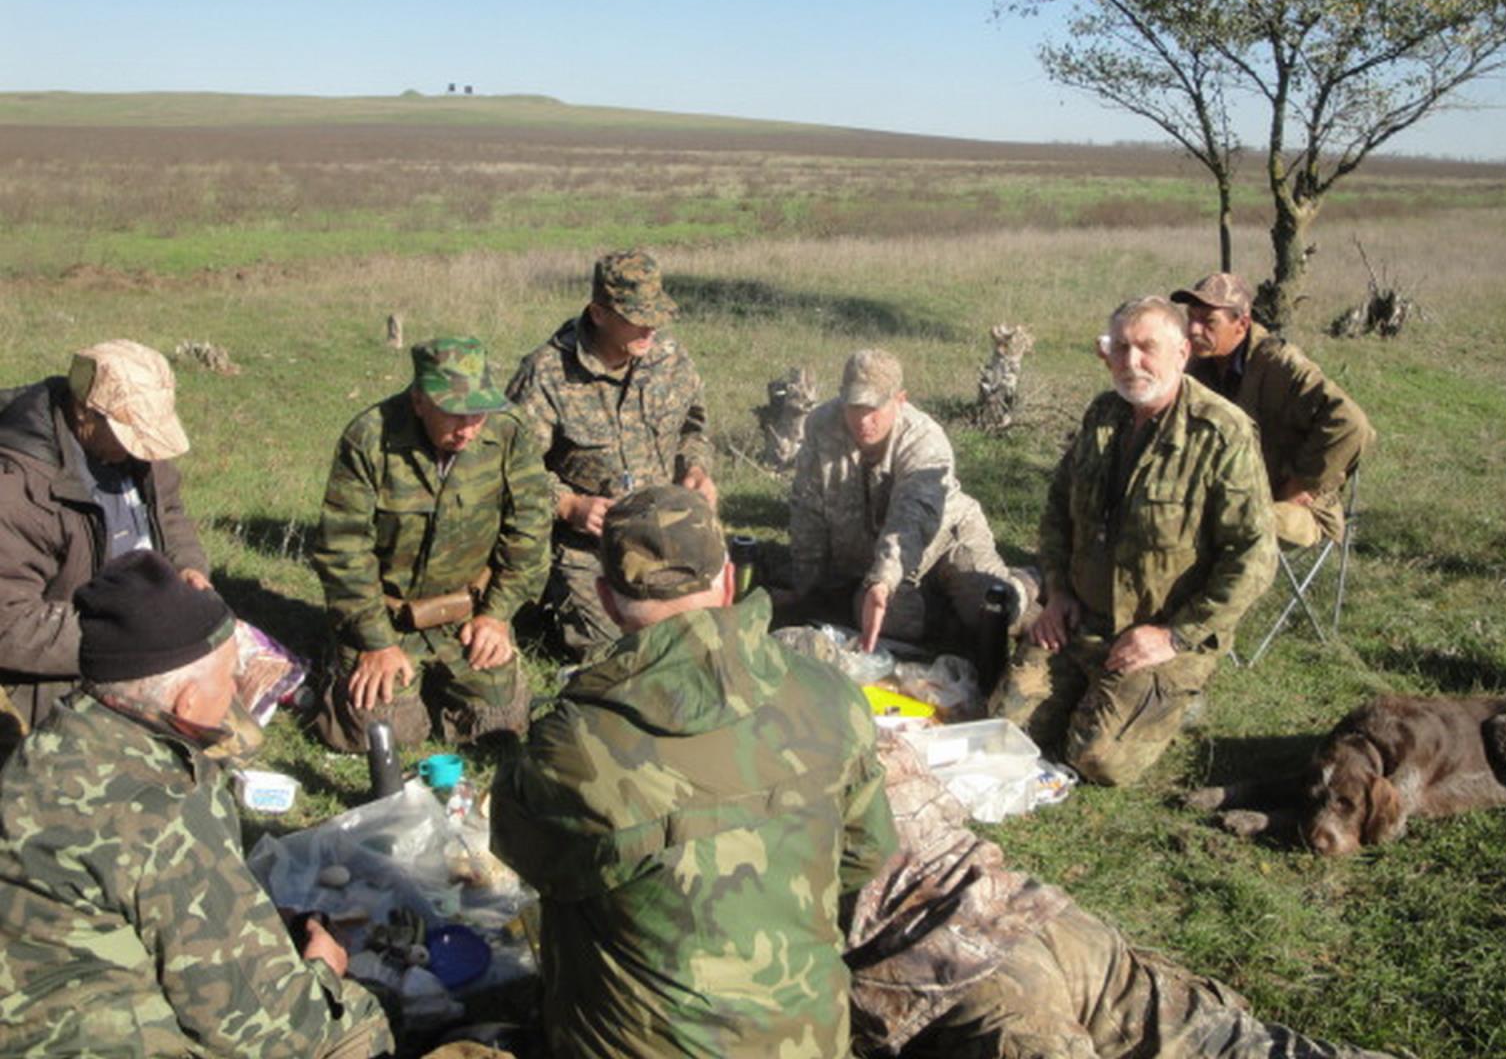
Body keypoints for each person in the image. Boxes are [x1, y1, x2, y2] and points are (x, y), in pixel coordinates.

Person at [489, 484, 897, 1059]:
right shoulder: (830, 694)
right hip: (809, 1042)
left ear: (606, 601)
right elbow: (866, 855)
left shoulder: (575, 746)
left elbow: (523, 854)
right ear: (729, 581)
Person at [0, 551, 394, 1058]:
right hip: (94, 1041)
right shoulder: (163, 812)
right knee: (353, 1025)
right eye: (229, 677)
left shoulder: (56, 741)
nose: (235, 691)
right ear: (185, 701)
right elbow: (269, 1032)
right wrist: (323, 968)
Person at [847, 729, 1395, 1059]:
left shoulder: (792, 776)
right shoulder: (845, 718)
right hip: (1027, 913)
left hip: (954, 974)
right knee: (1232, 1043)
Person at [991, 297, 1277, 786]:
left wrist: (1174, 636)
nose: (1131, 361)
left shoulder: (1222, 434)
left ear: (1182, 353)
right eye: (1120, 348)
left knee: (1095, 759)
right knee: (1004, 727)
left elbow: (1255, 557)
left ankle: (1175, 695)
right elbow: (1058, 510)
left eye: (1147, 347)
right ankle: (1100, 693)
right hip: (1083, 619)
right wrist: (1057, 593)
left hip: (1162, 632)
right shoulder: (1103, 415)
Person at [312, 336, 549, 752]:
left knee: (499, 726)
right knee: (381, 734)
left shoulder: (509, 432)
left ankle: (443, 685)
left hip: (468, 614)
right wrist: (375, 641)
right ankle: (340, 664)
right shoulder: (369, 438)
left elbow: (530, 531)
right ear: (419, 401)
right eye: (454, 414)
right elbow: (342, 550)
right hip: (388, 618)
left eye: (478, 413)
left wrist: (497, 616)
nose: (468, 429)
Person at [504, 250, 716, 660]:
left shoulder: (669, 357)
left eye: (657, 315)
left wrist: (695, 467)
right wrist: (567, 504)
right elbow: (511, 468)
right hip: (588, 548)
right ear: (599, 314)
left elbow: (694, 428)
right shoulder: (546, 374)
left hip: (663, 534)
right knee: (618, 655)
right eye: (638, 317)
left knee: (699, 637)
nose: (651, 327)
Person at [0, 340, 210, 737]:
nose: (140, 450)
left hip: (138, 633)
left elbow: (169, 513)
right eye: (128, 433)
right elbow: (8, 626)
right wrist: (118, 636)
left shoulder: (136, 451)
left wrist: (188, 568)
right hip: (55, 667)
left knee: (218, 724)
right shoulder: (18, 491)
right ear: (84, 412)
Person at [788, 348, 1032, 653]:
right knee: (886, 618)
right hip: (874, 556)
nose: (863, 420)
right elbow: (807, 509)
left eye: (874, 408)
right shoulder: (821, 425)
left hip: (944, 541)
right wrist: (805, 588)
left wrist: (882, 581)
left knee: (994, 609)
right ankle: (934, 609)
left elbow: (911, 521)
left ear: (900, 400)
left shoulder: (924, 440)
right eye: (854, 406)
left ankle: (1027, 582)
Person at [1172, 272, 1374, 547]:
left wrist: (1302, 482)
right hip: (1225, 495)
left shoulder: (1279, 365)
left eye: (1208, 321)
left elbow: (1350, 423)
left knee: (1216, 528)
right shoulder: (1196, 363)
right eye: (1191, 318)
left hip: (1295, 509)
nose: (1194, 330)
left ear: (1242, 325)